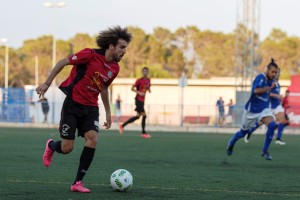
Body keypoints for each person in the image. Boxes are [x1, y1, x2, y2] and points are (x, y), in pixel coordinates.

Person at [36, 26, 132, 193]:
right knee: (67, 148)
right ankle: (51, 146)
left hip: (91, 108)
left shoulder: (115, 68)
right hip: (73, 105)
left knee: (93, 139)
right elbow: (63, 62)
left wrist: (108, 113)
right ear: (110, 45)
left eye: (125, 48)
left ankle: (77, 182)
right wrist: (47, 83)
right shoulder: (90, 54)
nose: (124, 51)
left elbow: (103, 88)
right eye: (121, 47)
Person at [227, 58, 278, 160]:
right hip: (251, 111)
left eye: (275, 72)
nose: (274, 74)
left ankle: (264, 151)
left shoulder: (272, 81)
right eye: (272, 72)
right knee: (242, 133)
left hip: (264, 110)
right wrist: (269, 88)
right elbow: (256, 91)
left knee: (272, 125)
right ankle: (231, 142)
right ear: (267, 70)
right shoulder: (260, 78)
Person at [244, 69, 289, 145]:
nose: (278, 75)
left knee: (283, 120)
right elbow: (268, 93)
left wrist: (280, 99)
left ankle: (278, 139)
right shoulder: (269, 83)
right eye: (276, 73)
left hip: (277, 106)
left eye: (278, 73)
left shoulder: (278, 84)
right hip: (269, 106)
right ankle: (249, 132)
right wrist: (278, 96)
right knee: (260, 123)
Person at [119, 67, 151, 138]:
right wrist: (139, 92)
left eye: (146, 71)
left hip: (142, 101)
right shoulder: (139, 80)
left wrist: (149, 90)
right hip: (138, 100)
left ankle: (122, 126)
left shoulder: (148, 80)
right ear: (142, 72)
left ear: (147, 72)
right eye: (144, 71)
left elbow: (148, 87)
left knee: (137, 117)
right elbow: (132, 88)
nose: (145, 72)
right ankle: (143, 133)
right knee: (144, 115)